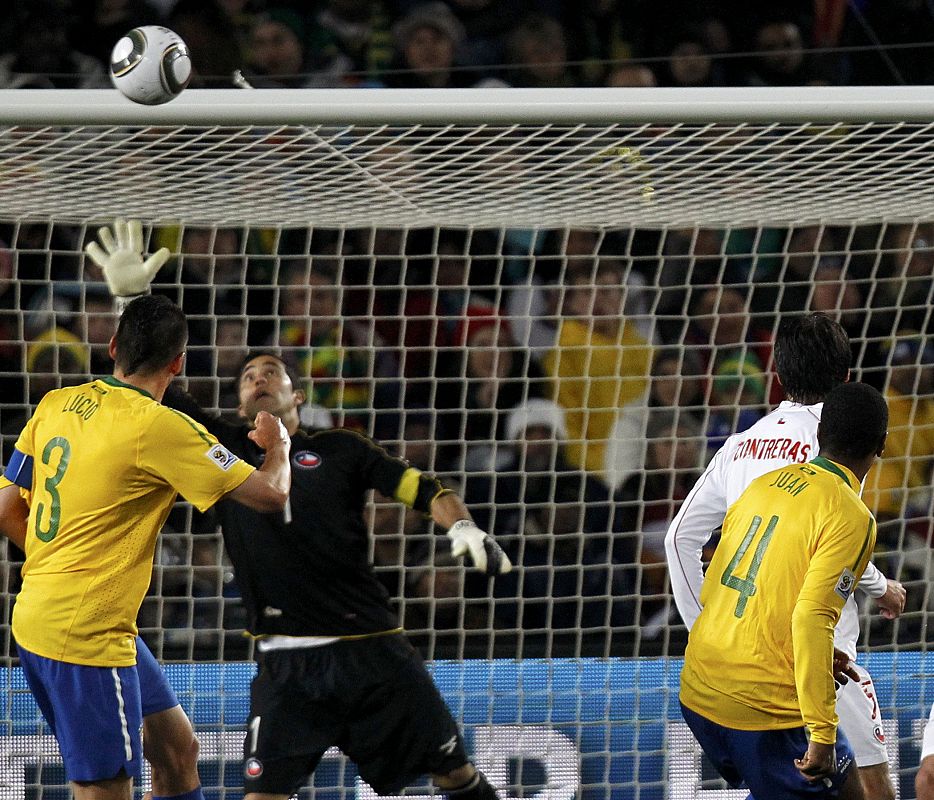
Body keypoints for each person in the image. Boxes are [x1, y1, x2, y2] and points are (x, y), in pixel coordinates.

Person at [0, 288, 292, 800]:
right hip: (86, 633)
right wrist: (280, 447)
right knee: (105, 787)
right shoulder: (161, 427)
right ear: (178, 363)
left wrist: (59, 561)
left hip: (46, 613)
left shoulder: (57, 403)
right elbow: (270, 495)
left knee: (177, 750)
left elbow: (6, 506)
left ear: (113, 346)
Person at [664, 312, 905, 800]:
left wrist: (709, 627)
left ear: (778, 376)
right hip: (817, 659)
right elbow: (833, 533)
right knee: (873, 784)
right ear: (845, 378)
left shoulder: (739, 446)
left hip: (724, 667)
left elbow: (678, 540)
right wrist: (882, 586)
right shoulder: (845, 435)